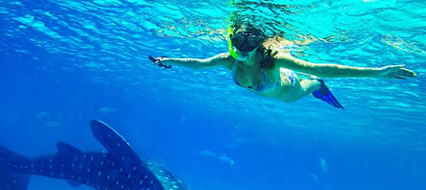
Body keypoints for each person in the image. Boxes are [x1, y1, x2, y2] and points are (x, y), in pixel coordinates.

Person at [149, 24, 416, 109]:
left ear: (258, 44)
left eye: (249, 41)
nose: (242, 49)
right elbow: (198, 64)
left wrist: (377, 73)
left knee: (314, 82)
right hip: (270, 88)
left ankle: (316, 87)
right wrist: (169, 60)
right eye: (237, 41)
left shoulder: (274, 59)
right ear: (230, 40)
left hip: (289, 88)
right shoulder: (226, 59)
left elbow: (323, 67)